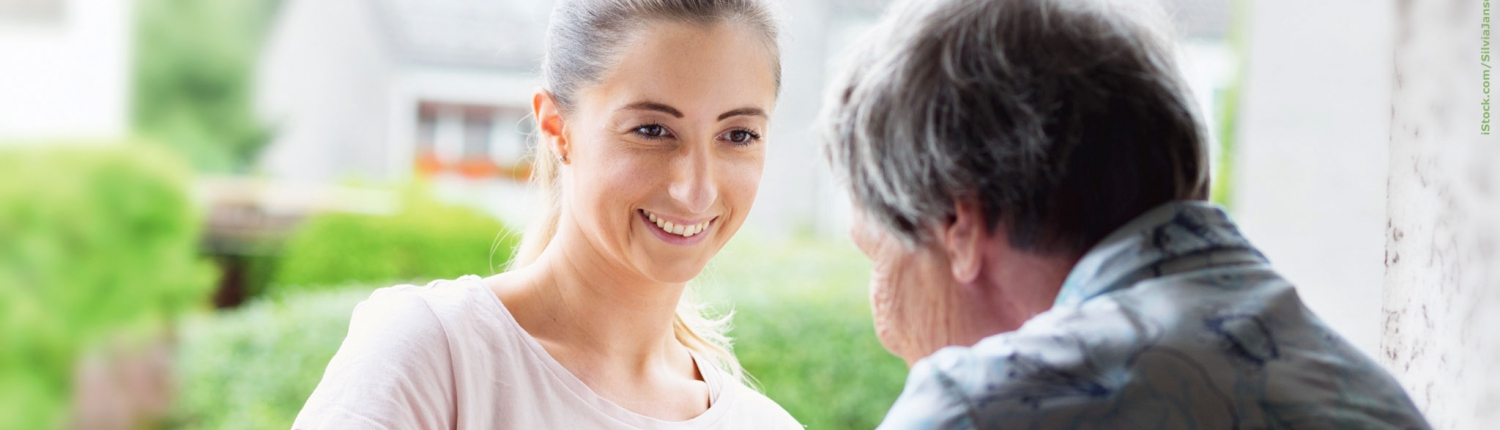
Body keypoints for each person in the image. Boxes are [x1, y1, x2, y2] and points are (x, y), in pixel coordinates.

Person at [818, 0, 1432, 428]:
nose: (889, 335)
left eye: (876, 252)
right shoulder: (1373, 399)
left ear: (960, 225)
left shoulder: (981, 407)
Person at [293, 0, 800, 428]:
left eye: (738, 135)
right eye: (651, 131)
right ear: (557, 127)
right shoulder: (435, 355)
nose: (695, 191)